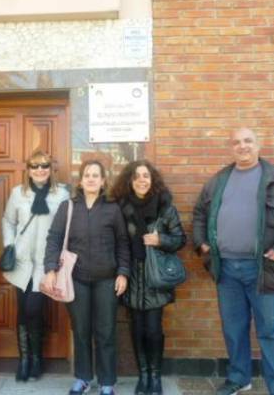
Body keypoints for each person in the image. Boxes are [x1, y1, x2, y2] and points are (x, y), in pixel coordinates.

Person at [192, 128, 274, 395]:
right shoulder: (218, 180)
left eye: (248, 141)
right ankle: (239, 378)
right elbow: (200, 212)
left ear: (259, 144)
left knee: (272, 332)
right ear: (230, 147)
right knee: (234, 330)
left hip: (265, 269)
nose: (242, 146)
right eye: (236, 142)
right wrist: (202, 244)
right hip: (226, 270)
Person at [44, 160, 130, 395]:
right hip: (76, 280)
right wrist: (50, 268)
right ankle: (83, 378)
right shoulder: (68, 207)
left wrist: (123, 272)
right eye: (87, 175)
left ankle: (107, 382)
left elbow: (123, 243)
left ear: (103, 181)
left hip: (106, 280)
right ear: (80, 181)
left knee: (106, 332)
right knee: (81, 331)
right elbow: (53, 239)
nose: (91, 179)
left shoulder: (113, 209)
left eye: (96, 175)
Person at [112, 160, 186, 395]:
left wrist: (160, 240)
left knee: (153, 329)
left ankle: (155, 377)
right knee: (136, 328)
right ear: (129, 181)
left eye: (146, 176)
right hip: (131, 275)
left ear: (152, 179)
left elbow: (180, 239)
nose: (142, 180)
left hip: (155, 277)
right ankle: (143, 375)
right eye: (136, 176)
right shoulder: (121, 208)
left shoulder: (165, 207)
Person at [2, 150, 69, 381]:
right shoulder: (17, 193)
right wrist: (10, 245)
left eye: (44, 166)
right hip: (21, 263)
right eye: (35, 166)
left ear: (51, 170)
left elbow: (65, 228)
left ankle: (37, 357)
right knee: (23, 311)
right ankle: (25, 359)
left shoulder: (61, 195)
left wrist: (59, 256)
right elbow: (8, 221)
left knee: (34, 309)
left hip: (45, 264)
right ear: (28, 170)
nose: (40, 170)